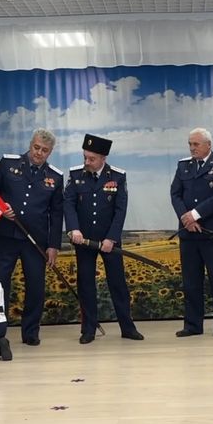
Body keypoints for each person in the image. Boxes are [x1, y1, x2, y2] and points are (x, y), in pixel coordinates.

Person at [64, 134, 144, 344]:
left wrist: (111, 238)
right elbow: (69, 203)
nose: (87, 162)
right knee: (86, 284)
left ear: (103, 159)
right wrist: (73, 229)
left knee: (118, 284)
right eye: (85, 157)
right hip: (84, 241)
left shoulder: (117, 177)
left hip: (109, 241)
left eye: (91, 159)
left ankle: (127, 328)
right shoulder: (75, 175)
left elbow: (120, 210)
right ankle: (88, 330)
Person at [0, 129, 64, 346]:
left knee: (36, 287)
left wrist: (53, 245)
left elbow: (56, 214)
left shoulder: (55, 177)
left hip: (35, 241)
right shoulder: (8, 163)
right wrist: (1, 207)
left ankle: (30, 332)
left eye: (44, 150)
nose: (39, 153)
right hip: (6, 236)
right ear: (30, 144)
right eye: (36, 147)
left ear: (50, 152)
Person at [170, 128, 213, 339]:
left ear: (208, 145)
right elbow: (175, 194)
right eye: (190, 144)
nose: (192, 148)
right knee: (190, 281)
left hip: (212, 233)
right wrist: (185, 218)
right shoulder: (183, 165)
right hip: (188, 233)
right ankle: (193, 325)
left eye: (196, 144)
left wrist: (195, 214)